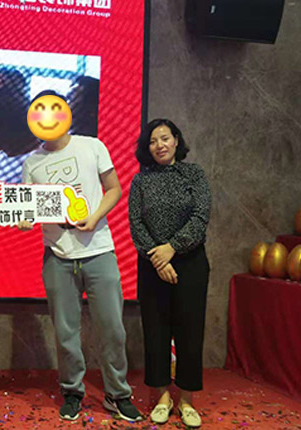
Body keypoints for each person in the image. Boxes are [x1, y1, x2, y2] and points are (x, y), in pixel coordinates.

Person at [17, 91, 142, 422]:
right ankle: (72, 391)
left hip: (99, 250)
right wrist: (24, 219)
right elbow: (27, 208)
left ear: (66, 112)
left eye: (53, 109)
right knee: (65, 332)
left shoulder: (92, 146)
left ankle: (118, 394)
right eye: (39, 111)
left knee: (112, 328)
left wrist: (95, 216)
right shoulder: (31, 162)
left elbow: (114, 188)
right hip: (57, 256)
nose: (47, 116)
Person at [128, 119, 211, 428]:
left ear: (176, 140)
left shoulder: (194, 174)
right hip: (152, 265)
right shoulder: (140, 181)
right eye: (153, 141)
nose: (159, 145)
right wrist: (159, 259)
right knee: (156, 330)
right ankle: (162, 397)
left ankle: (187, 399)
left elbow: (200, 216)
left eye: (165, 138)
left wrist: (172, 248)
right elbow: (136, 223)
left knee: (190, 331)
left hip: (190, 263)